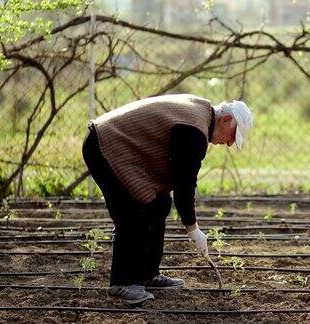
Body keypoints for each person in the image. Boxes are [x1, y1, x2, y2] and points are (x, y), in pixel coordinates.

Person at [82, 94, 253, 305]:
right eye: (232, 135)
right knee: (135, 211)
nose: (228, 143)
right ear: (225, 120)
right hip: (105, 146)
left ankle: (147, 275)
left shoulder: (200, 114)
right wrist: (193, 229)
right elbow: (184, 185)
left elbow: (178, 176)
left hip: (120, 148)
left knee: (160, 204)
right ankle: (122, 283)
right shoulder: (194, 130)